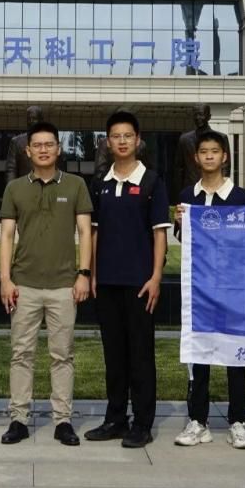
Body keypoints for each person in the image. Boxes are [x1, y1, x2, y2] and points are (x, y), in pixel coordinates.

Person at [0, 121, 93, 448]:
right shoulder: (14, 189)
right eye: (37, 145)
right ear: (28, 150)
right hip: (24, 285)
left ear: (58, 147)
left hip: (64, 285)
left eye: (49, 144)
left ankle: (63, 421)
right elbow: (7, 235)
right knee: (21, 353)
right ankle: (18, 419)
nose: (43, 149)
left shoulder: (76, 185)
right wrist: (6, 278)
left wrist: (84, 273)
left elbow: (84, 232)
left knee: (62, 355)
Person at [85, 110, 170, 448]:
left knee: (140, 355)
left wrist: (156, 277)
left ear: (137, 140)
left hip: (139, 283)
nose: (121, 141)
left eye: (127, 136)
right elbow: (92, 233)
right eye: (115, 136)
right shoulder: (101, 183)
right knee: (114, 355)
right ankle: (115, 418)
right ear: (108, 142)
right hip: (106, 281)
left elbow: (160, 235)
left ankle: (142, 423)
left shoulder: (151, 181)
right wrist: (90, 273)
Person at [173, 130, 245, 449]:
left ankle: (237, 422)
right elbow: (185, 238)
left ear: (225, 157)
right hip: (199, 290)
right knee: (199, 356)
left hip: (234, 289)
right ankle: (198, 421)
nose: (208, 156)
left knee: (236, 357)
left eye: (214, 151)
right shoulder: (187, 196)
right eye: (203, 151)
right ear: (196, 158)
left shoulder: (240, 197)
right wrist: (181, 221)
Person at [175, 105, 230, 191]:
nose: (198, 118)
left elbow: (225, 166)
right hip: (191, 188)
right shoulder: (184, 139)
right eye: (195, 115)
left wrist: (222, 187)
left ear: (209, 116)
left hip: (215, 188)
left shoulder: (221, 138)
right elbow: (179, 168)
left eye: (201, 114)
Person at [4, 105, 45, 181]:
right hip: (23, 188)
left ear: (41, 120)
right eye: (29, 119)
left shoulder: (50, 142)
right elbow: (11, 169)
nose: (31, 121)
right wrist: (11, 189)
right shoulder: (17, 142)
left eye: (34, 118)